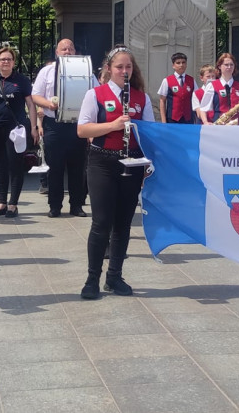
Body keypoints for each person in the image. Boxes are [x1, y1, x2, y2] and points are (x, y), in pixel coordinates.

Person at [76, 46, 155, 299]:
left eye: (128, 67)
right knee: (101, 222)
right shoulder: (95, 94)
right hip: (102, 162)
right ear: (109, 69)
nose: (124, 71)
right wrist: (113, 124)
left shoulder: (141, 98)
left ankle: (114, 276)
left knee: (123, 224)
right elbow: (82, 130)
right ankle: (92, 279)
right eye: (119, 67)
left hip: (131, 163)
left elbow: (151, 135)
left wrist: (147, 163)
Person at [31, 39, 94, 217]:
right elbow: (35, 95)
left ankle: (76, 205)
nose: (67, 51)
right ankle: (55, 206)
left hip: (77, 125)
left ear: (75, 51)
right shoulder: (47, 71)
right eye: (63, 49)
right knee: (55, 168)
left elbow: (96, 93)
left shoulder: (86, 70)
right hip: (54, 126)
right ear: (57, 52)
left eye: (70, 48)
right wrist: (48, 104)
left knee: (78, 167)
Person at [0, 44, 38, 218]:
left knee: (15, 166)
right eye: (2, 59)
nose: (6, 62)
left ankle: (13, 204)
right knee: (0, 166)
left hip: (16, 130)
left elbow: (30, 104)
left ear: (13, 62)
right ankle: (1, 203)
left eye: (9, 59)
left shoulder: (21, 80)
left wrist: (34, 128)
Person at [202, 53, 239, 125]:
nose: (229, 67)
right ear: (219, 66)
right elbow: (203, 108)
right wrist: (205, 121)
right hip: (218, 125)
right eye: (226, 65)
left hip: (237, 127)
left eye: (231, 65)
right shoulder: (211, 86)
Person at [156, 52, 196, 124]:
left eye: (183, 62)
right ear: (173, 66)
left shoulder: (191, 80)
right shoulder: (167, 80)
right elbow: (162, 101)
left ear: (186, 64)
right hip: (172, 119)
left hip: (188, 119)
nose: (181, 65)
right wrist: (163, 121)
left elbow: (196, 99)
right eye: (178, 63)